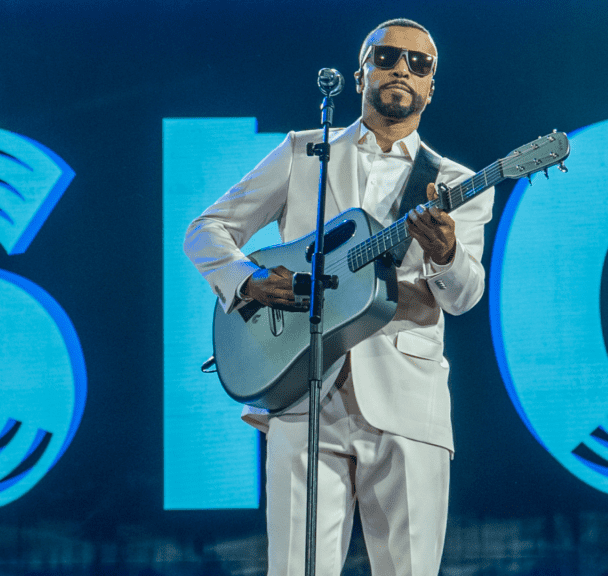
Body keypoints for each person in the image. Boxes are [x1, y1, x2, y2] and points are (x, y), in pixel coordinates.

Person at [184, 18, 494, 576]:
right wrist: (245, 281)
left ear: (430, 87)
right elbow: (207, 230)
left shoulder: (455, 182)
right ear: (361, 73)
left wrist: (446, 253)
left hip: (408, 410)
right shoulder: (305, 152)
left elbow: (465, 297)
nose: (402, 68)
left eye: (418, 64)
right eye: (387, 57)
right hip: (304, 396)